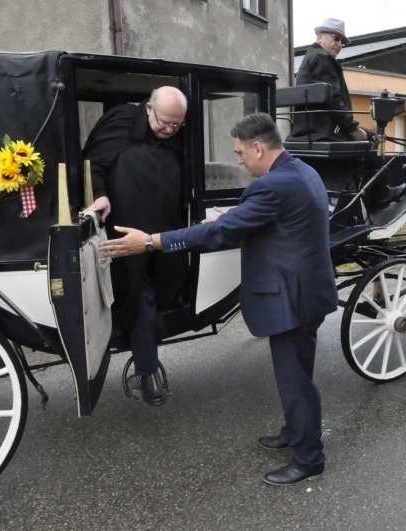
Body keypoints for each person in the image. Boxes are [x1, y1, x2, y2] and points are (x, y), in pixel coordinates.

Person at [100, 112, 338, 486]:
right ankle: (296, 432)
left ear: (258, 148)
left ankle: (309, 459)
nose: (238, 160)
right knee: (298, 374)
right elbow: (278, 218)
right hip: (308, 290)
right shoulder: (301, 171)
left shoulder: (271, 187)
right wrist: (237, 216)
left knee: (295, 380)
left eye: (240, 152)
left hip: (292, 298)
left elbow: (220, 234)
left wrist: (148, 241)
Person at [83, 86, 190, 406]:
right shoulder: (119, 122)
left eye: (176, 125)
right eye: (164, 122)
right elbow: (93, 162)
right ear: (148, 108)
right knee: (140, 295)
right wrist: (99, 194)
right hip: (126, 232)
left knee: (164, 294)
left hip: (167, 231)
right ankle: (147, 372)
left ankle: (146, 359)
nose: (169, 130)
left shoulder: (178, 132)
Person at [290, 17, 406, 206]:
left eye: (342, 41)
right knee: (373, 140)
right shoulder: (323, 58)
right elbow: (333, 99)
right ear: (320, 37)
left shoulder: (309, 58)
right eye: (335, 38)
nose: (339, 44)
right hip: (323, 131)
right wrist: (352, 127)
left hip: (307, 129)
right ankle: (381, 194)